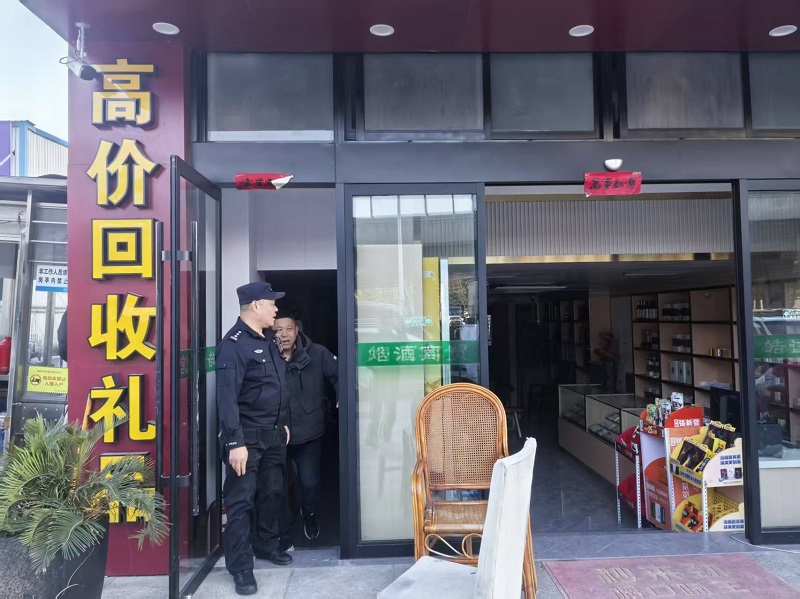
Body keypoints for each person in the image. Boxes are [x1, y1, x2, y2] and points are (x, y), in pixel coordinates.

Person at [216, 281, 292, 596]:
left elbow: (276, 387)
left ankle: (266, 544)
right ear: (257, 306)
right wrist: (235, 443)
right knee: (241, 501)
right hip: (246, 438)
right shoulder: (233, 345)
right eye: (272, 303)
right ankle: (240, 566)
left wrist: (282, 423)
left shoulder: (267, 341)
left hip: (273, 434)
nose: (276, 308)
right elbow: (227, 398)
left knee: (272, 492)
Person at [273, 306, 338, 545]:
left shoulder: (317, 353)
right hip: (275, 433)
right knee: (276, 486)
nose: (284, 334)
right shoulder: (265, 356)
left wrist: (342, 395)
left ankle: (309, 515)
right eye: (278, 330)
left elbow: (339, 374)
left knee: (310, 482)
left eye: (288, 329)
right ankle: (282, 531)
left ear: (297, 330)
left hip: (308, 431)